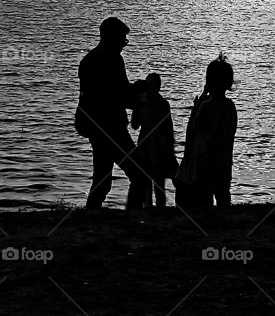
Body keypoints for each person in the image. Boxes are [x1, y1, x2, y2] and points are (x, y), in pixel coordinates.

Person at [78, 17, 148, 209]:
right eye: (122, 40)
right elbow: (118, 96)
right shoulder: (113, 60)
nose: (124, 45)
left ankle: (92, 214)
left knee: (102, 180)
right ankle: (132, 215)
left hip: (96, 128)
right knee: (140, 175)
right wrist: (138, 96)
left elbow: (107, 93)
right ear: (113, 38)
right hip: (112, 128)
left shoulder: (88, 61)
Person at [176, 54, 237, 210]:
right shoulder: (230, 106)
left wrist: (197, 106)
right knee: (223, 194)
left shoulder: (206, 106)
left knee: (205, 197)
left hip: (205, 162)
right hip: (224, 161)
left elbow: (195, 128)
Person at [131, 72, 178, 208]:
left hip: (151, 146)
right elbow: (169, 130)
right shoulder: (162, 104)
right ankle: (155, 208)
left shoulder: (148, 103)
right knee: (156, 181)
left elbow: (134, 125)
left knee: (153, 180)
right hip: (154, 146)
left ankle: (151, 208)